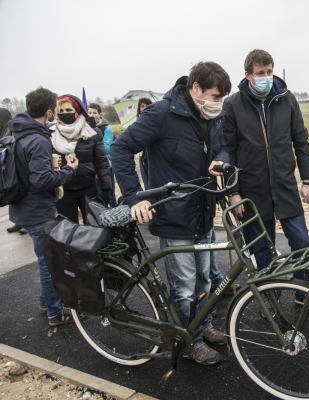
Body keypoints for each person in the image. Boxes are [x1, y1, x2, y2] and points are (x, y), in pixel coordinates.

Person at [112, 61, 231, 366]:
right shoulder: (161, 114)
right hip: (174, 216)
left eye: (222, 98)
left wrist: (219, 159)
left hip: (204, 213)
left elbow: (222, 147)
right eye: (215, 96)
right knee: (185, 285)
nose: (219, 104)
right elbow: (121, 149)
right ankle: (186, 342)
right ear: (195, 89)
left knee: (205, 280)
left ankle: (202, 328)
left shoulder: (212, 117)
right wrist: (132, 198)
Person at [223, 49, 309, 313]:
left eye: (269, 72)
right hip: (252, 190)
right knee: (261, 249)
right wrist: (233, 192)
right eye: (260, 73)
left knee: (301, 244)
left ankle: (303, 293)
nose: (266, 77)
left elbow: (301, 141)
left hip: (284, 186)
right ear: (248, 75)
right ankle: (271, 299)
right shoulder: (233, 104)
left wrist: (306, 179)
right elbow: (229, 150)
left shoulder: (287, 99)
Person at [8, 87, 79, 325]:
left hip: (22, 209)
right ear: (49, 112)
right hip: (37, 210)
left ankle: (44, 301)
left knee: (44, 260)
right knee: (50, 264)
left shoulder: (18, 133)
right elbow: (41, 180)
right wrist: (68, 171)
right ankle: (54, 312)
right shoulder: (37, 140)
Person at [53, 95, 111, 223]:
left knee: (94, 229)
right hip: (64, 191)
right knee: (68, 232)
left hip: (88, 189)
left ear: (76, 111)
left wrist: (106, 187)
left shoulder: (91, 133)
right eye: (61, 111)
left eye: (68, 110)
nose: (64, 114)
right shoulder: (52, 134)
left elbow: (101, 162)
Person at [88, 103, 117, 207]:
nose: (91, 115)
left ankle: (113, 214)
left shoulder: (106, 129)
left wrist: (93, 146)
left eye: (94, 113)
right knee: (96, 194)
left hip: (106, 165)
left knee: (109, 192)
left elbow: (108, 148)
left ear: (99, 115)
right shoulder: (86, 129)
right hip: (91, 167)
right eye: (90, 112)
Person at [137, 98, 152, 189]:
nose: (145, 108)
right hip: (141, 155)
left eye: (147, 105)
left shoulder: (154, 121)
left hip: (151, 155)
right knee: (146, 182)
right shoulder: (137, 123)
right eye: (142, 106)